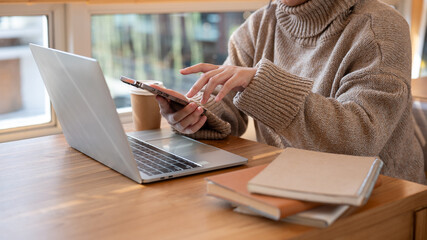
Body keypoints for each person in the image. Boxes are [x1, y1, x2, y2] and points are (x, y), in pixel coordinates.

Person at [152, 0, 426, 184]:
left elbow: (358, 139)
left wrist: (260, 83)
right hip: (290, 183)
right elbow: (227, 112)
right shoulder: (258, 26)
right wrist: (193, 115)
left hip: (383, 194)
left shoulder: (381, 28)